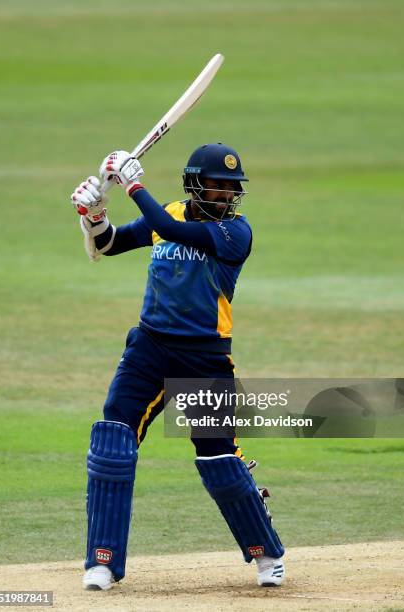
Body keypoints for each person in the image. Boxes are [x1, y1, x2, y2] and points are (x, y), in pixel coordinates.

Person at [70, 143, 285, 591]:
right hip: (149, 348)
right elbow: (109, 245)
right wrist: (93, 213)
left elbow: (168, 227)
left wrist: (132, 184)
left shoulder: (235, 233)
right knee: (113, 439)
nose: (225, 195)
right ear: (194, 183)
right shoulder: (167, 210)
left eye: (232, 188)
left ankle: (265, 554)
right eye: (217, 185)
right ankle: (102, 562)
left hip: (205, 357)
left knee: (218, 460)